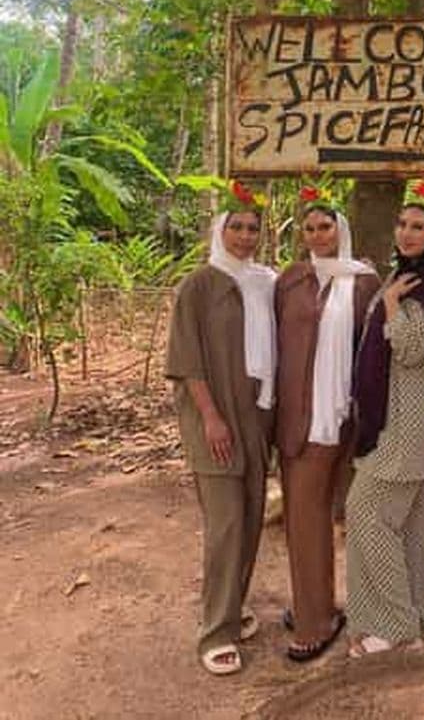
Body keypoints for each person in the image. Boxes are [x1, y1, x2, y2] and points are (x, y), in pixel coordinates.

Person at [346, 202, 424, 657]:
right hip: (413, 424)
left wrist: (392, 304)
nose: (407, 232)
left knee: (366, 514)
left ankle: (393, 625)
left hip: (407, 427)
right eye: (402, 223)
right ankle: (418, 614)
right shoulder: (411, 276)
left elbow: (413, 349)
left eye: (419, 226)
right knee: (414, 524)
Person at [165, 203, 276, 676]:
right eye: (236, 227)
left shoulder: (264, 282)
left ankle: (231, 609)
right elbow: (186, 360)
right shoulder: (200, 285)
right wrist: (211, 417)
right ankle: (215, 631)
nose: (245, 236)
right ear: (220, 231)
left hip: (256, 415)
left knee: (250, 520)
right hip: (216, 417)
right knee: (227, 523)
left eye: (253, 228)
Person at [274, 202, 380, 662]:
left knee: (322, 514)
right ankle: (314, 607)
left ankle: (319, 618)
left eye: (326, 227)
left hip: (342, 418)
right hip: (297, 417)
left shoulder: (363, 281)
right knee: (305, 515)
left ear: (342, 230)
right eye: (311, 227)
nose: (318, 234)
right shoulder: (291, 280)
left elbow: (376, 349)